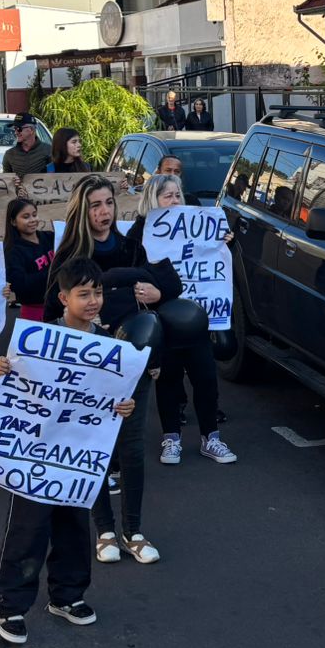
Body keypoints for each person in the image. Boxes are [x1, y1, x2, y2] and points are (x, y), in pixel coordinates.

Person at [0, 256, 136, 645]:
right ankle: (11, 605)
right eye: (83, 294)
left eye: (98, 292)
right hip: (36, 454)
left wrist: (125, 406)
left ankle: (67, 596)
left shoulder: (109, 345)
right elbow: (15, 384)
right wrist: (5, 369)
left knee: (74, 525)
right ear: (63, 297)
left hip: (78, 457)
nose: (93, 301)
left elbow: (115, 400)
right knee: (30, 528)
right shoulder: (39, 340)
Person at [44, 176, 183, 565]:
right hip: (89, 363)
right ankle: (104, 530)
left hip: (133, 361)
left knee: (133, 445)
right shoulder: (69, 252)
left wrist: (155, 291)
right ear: (81, 210)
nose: (104, 212)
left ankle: (134, 531)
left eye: (108, 203)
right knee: (96, 447)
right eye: (95, 205)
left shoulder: (130, 243)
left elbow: (167, 281)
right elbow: (52, 309)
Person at [126, 174, 237, 467]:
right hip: (165, 322)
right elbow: (131, 271)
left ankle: (210, 437)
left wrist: (225, 244)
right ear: (153, 200)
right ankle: (171, 437)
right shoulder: (140, 232)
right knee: (169, 381)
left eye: (178, 195)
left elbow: (220, 267)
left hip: (198, 319)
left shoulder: (200, 225)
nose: (175, 201)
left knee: (205, 379)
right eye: (167, 196)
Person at [2, 197, 55, 324]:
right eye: (26, 217)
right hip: (34, 312)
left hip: (61, 306)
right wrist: (54, 273)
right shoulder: (12, 251)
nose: (32, 220)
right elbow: (20, 285)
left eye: (34, 215)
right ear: (13, 222)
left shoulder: (50, 237)